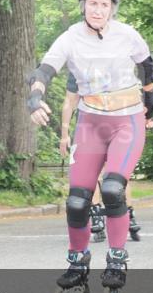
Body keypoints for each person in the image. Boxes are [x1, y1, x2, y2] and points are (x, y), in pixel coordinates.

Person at [28, 0, 153, 293]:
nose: (97, 10)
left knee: (112, 189)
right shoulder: (70, 38)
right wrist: (35, 99)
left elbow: (147, 66)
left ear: (112, 8)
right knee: (77, 201)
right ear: (83, 6)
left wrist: (150, 99)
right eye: (92, 4)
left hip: (127, 122)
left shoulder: (127, 35)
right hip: (90, 123)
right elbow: (44, 71)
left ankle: (116, 261)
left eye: (103, 4)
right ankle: (77, 266)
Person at [59, 74, 144, 243]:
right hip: (119, 125)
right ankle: (128, 214)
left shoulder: (79, 67)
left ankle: (98, 215)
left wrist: (65, 134)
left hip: (92, 127)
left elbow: (70, 101)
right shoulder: (119, 65)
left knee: (94, 175)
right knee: (117, 175)